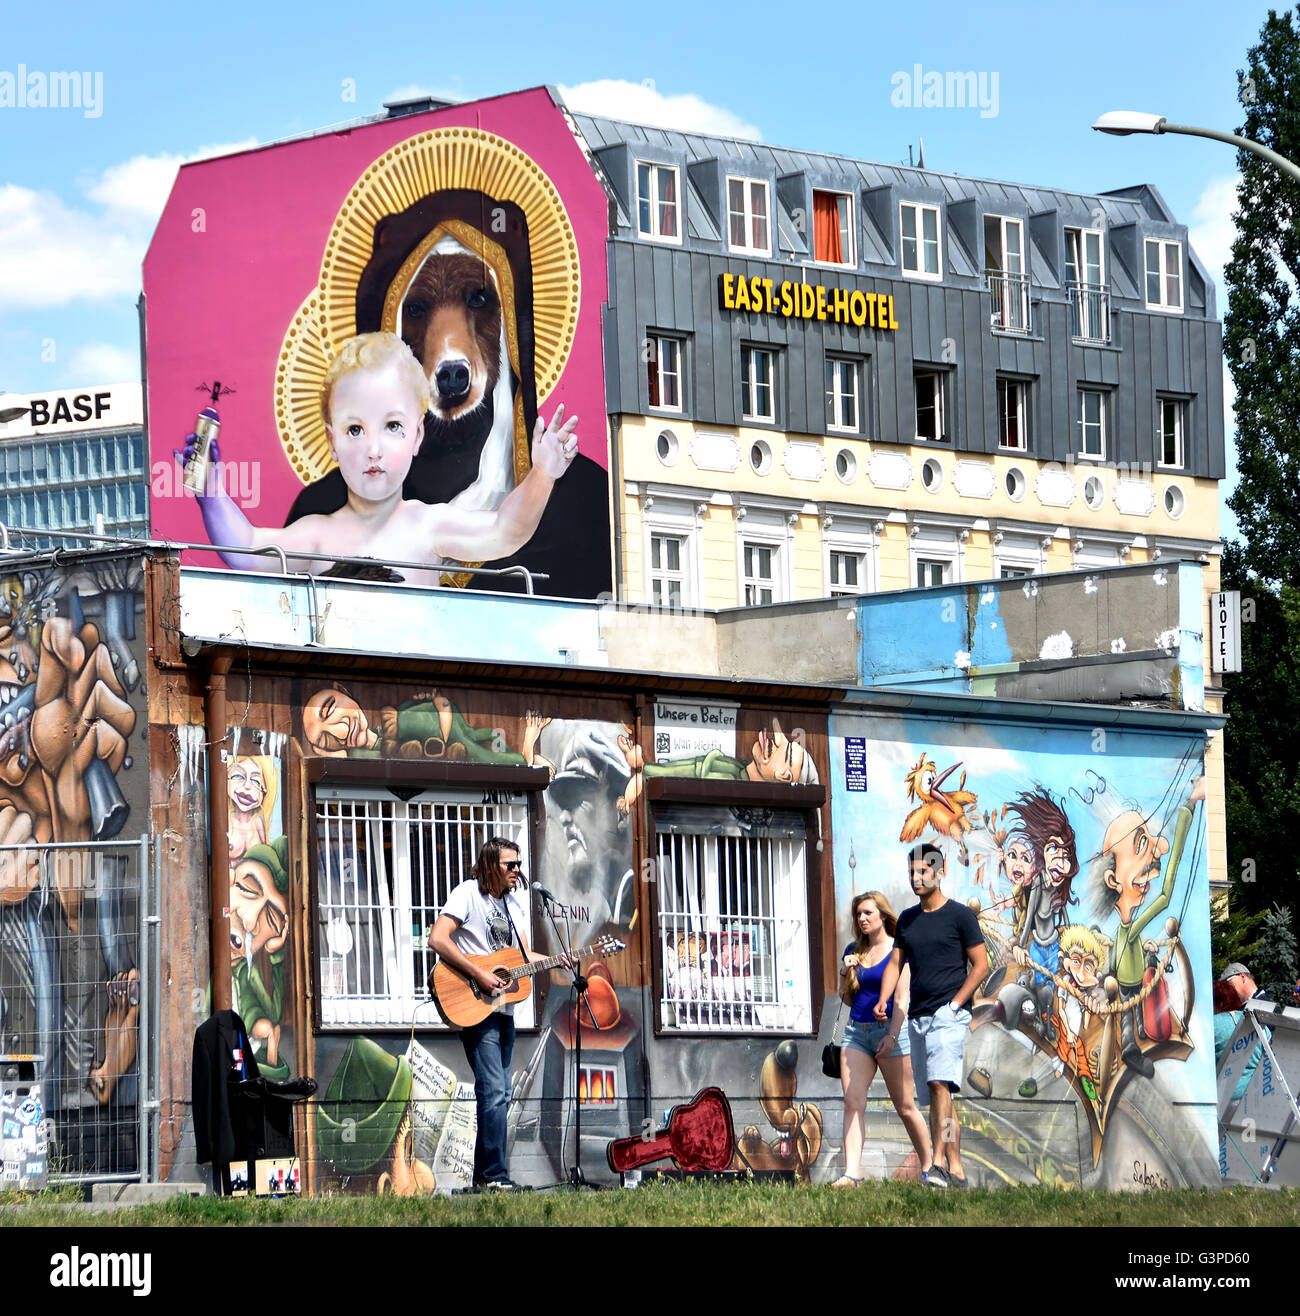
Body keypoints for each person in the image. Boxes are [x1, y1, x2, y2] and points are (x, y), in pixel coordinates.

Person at [181, 332, 578, 588]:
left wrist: (542, 474)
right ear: (332, 442)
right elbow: (246, 550)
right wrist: (211, 493)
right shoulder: (317, 534)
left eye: (392, 426)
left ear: (417, 435)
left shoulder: (426, 525)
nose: (374, 449)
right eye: (355, 430)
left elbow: (505, 530)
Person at [428, 837, 562, 1190]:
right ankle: (494, 1176)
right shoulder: (468, 893)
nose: (517, 871)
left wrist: (559, 961)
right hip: (476, 1008)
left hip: (505, 1012)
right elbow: (438, 939)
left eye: (518, 864)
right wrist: (478, 973)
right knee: (494, 1090)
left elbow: (522, 957)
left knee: (499, 1093)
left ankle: (485, 1178)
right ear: (491, 865)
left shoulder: (515, 904)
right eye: (510, 865)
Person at [876, 843, 988, 1189]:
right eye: (912, 871)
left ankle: (936, 1163)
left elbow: (981, 965)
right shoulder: (907, 920)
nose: (916, 877)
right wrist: (884, 1000)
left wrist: (956, 1004)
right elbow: (896, 963)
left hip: (948, 1015)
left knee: (939, 1083)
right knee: (941, 1095)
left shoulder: (960, 917)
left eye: (923, 871)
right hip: (919, 1018)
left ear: (940, 873)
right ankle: (957, 1169)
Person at [834, 890, 931, 1187]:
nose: (862, 919)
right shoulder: (855, 950)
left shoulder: (899, 950)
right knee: (853, 1102)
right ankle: (852, 1174)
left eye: (868, 913)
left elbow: (902, 998)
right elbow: (848, 999)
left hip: (890, 1031)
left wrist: (892, 1034)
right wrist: (845, 972)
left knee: (904, 1106)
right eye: (859, 914)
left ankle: (931, 1167)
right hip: (856, 1033)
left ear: (883, 916)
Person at [1213, 962, 1270, 1103]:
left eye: (1228, 982)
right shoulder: (1243, 1013)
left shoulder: (1265, 1008)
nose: (1228, 988)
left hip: (1241, 1097)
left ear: (1243, 977)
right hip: (1258, 1096)